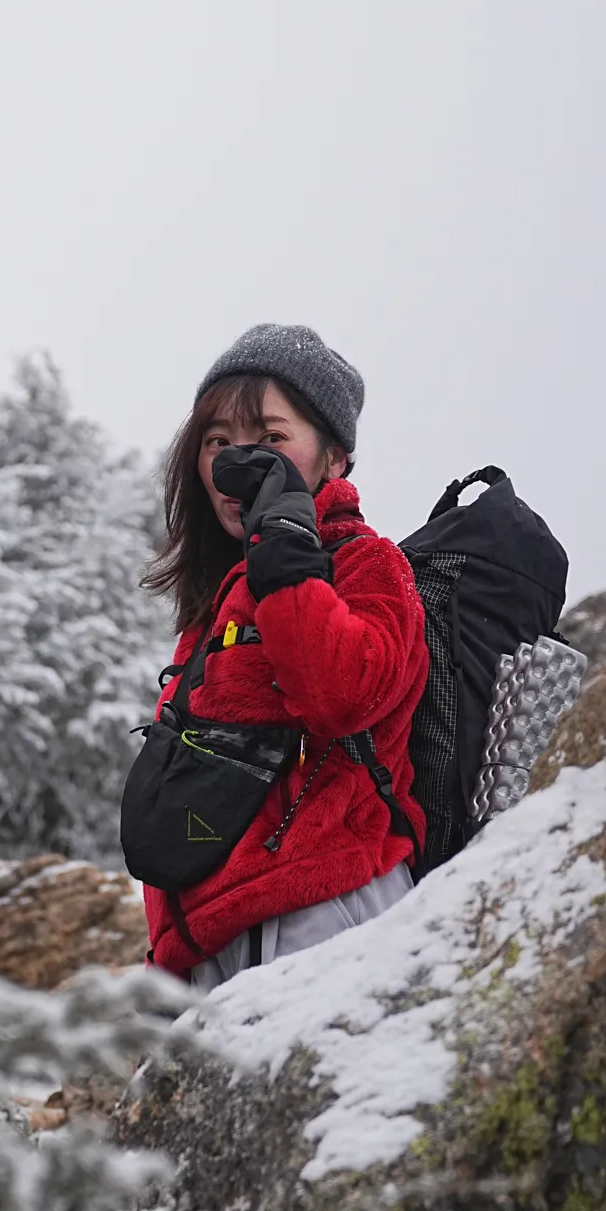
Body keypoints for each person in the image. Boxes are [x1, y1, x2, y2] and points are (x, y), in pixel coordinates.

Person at [140, 323, 428, 990]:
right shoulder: (218, 605)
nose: (243, 466)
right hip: (204, 946)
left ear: (334, 457)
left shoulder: (368, 566)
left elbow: (338, 695)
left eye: (272, 440)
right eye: (219, 443)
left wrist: (287, 544)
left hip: (321, 920)